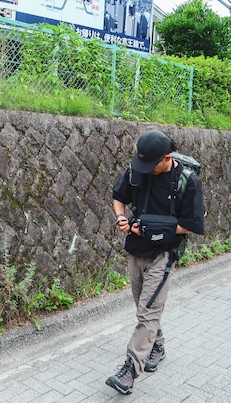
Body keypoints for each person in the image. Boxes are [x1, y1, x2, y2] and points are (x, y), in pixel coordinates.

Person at [106, 130, 205, 395]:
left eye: (152, 165)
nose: (147, 171)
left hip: (163, 254)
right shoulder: (138, 171)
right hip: (136, 250)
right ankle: (157, 346)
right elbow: (119, 197)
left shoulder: (187, 181)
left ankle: (130, 369)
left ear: (166, 158)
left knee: (147, 313)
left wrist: (150, 228)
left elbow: (192, 225)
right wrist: (120, 218)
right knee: (143, 305)